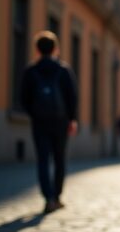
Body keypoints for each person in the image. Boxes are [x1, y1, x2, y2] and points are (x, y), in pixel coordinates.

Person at [20, 31, 78, 214]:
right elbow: (72, 97)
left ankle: (48, 198)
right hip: (60, 122)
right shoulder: (63, 70)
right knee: (59, 159)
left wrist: (34, 113)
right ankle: (57, 196)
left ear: (37, 49)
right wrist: (72, 119)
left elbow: (24, 98)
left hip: (40, 122)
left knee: (43, 160)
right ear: (56, 49)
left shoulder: (31, 71)